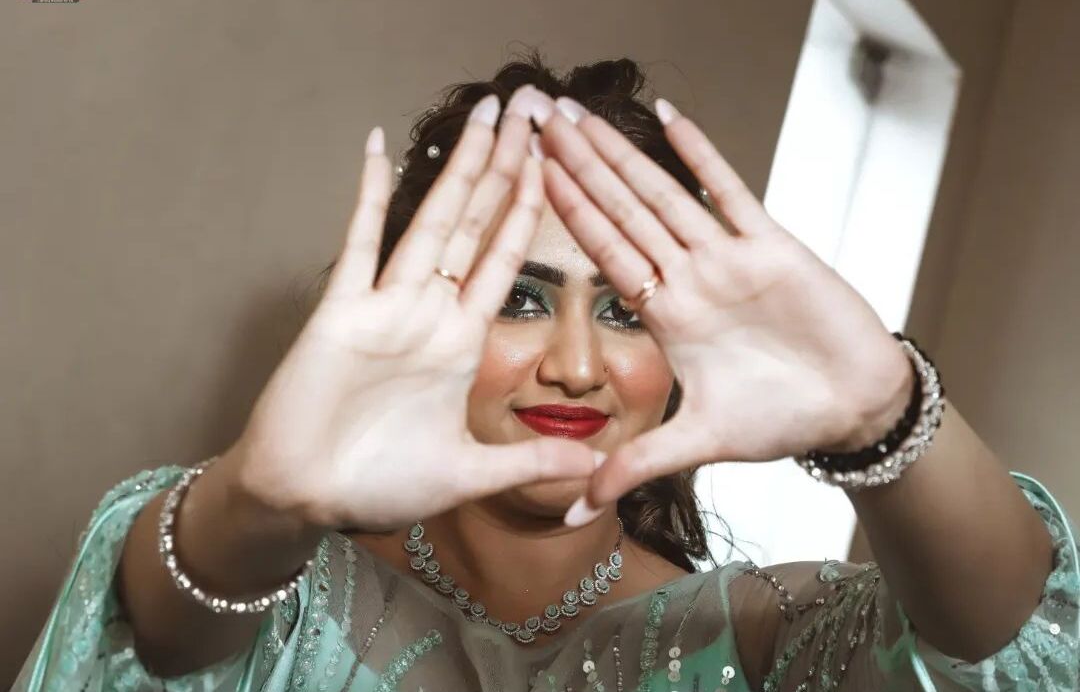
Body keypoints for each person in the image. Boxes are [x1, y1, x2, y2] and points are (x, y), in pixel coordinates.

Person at [11, 54, 1078, 692]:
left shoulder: (757, 640)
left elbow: (1022, 654)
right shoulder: (278, 594)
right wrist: (258, 497)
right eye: (518, 300)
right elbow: (153, 634)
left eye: (626, 311)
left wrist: (886, 415)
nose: (574, 365)